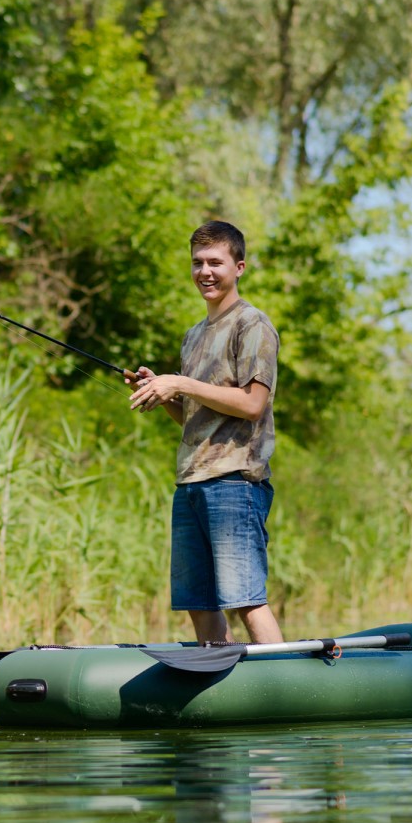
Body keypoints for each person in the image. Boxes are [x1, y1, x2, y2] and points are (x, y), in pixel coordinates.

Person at [128, 220, 284, 645]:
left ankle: (285, 687)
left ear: (239, 267)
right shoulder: (193, 336)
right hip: (191, 482)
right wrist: (165, 397)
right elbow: (199, 419)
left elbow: (253, 404)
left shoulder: (253, 325)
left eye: (215, 262)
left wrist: (179, 382)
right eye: (197, 263)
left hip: (236, 482)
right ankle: (222, 683)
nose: (205, 272)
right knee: (198, 602)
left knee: (245, 600)